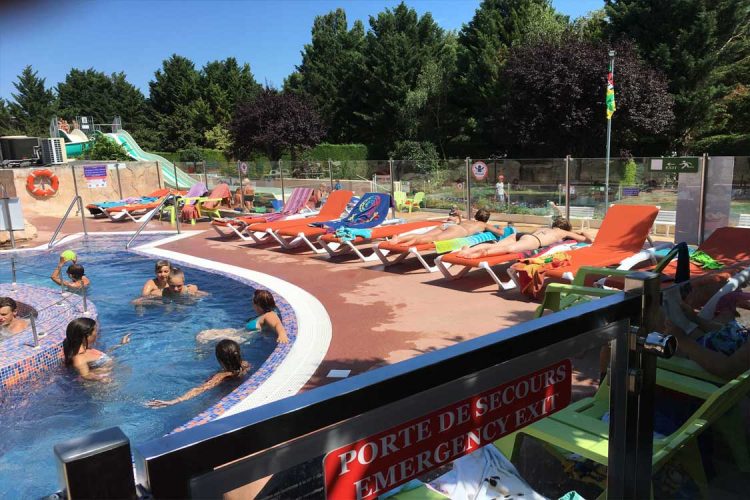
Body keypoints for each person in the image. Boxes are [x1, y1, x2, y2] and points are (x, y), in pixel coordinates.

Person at [664, 289, 750, 380]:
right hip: (716, 347)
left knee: (659, 322)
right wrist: (696, 319)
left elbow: (727, 369)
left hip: (707, 369)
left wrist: (682, 340)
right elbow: (735, 337)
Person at [147, 339, 250, 407]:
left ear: (219, 359)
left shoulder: (220, 376)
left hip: (223, 396)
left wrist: (174, 401)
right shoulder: (245, 365)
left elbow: (200, 389)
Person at [455, 216, 593, 258]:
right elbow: (588, 240)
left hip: (521, 235)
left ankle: (468, 249)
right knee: (508, 249)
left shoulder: (544, 228)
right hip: (533, 241)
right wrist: (581, 233)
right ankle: (476, 255)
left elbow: (529, 232)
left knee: (496, 244)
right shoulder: (564, 233)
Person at [196, 289, 289, 344]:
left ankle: (201, 355)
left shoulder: (269, 315)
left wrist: (282, 334)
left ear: (258, 305)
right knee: (203, 334)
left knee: (203, 337)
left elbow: (277, 324)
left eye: (253, 302)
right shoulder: (265, 314)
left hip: (242, 338)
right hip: (239, 333)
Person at [62, 317, 130, 382]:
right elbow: (85, 375)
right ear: (86, 336)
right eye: (95, 331)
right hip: (106, 386)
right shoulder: (79, 358)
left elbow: (102, 356)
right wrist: (100, 378)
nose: (97, 333)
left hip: (113, 376)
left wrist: (121, 344)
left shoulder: (87, 349)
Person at [390, 208, 491, 246]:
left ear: (476, 215)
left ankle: (399, 239)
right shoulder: (484, 225)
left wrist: (459, 216)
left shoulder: (470, 221)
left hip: (449, 226)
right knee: (435, 239)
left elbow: (460, 222)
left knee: (423, 235)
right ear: (486, 219)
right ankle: (412, 242)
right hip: (458, 230)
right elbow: (500, 232)